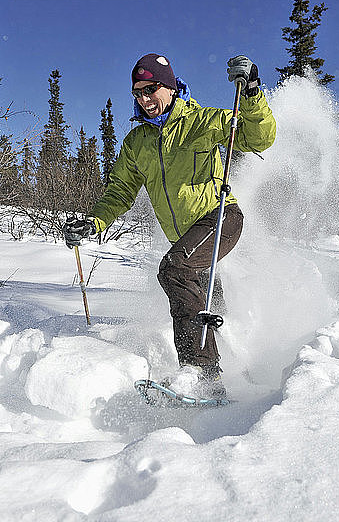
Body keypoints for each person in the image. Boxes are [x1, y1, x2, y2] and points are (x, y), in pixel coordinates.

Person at [63, 53, 276, 398]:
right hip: (188, 239)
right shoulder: (137, 144)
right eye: (137, 92)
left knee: (174, 270)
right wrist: (93, 221)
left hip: (220, 218)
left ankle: (201, 373)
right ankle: (238, 368)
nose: (144, 99)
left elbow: (259, 137)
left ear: (171, 86)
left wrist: (251, 90)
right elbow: (119, 192)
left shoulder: (202, 121)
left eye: (152, 88)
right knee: (208, 304)